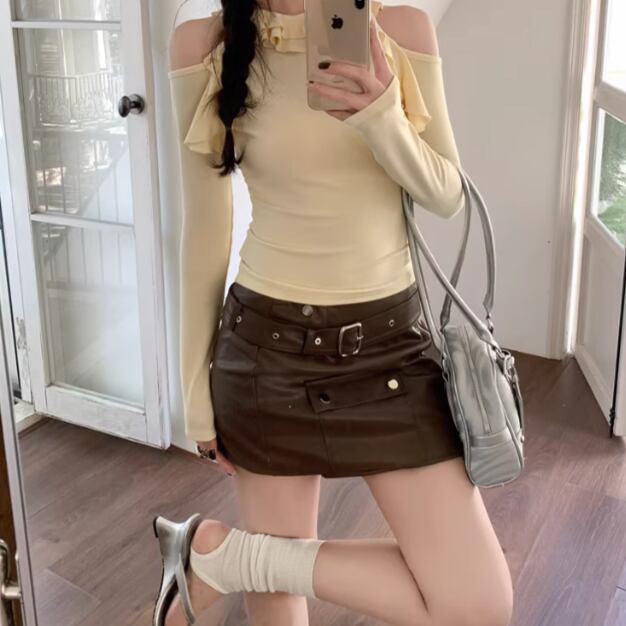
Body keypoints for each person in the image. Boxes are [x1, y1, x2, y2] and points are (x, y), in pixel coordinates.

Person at [154, 1, 514, 625]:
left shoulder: (398, 31)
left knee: (477, 604)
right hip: (265, 354)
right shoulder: (204, 45)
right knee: (278, 611)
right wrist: (194, 392)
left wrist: (381, 116)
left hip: (391, 353)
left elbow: (446, 196)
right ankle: (233, 561)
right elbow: (205, 230)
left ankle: (223, 559)